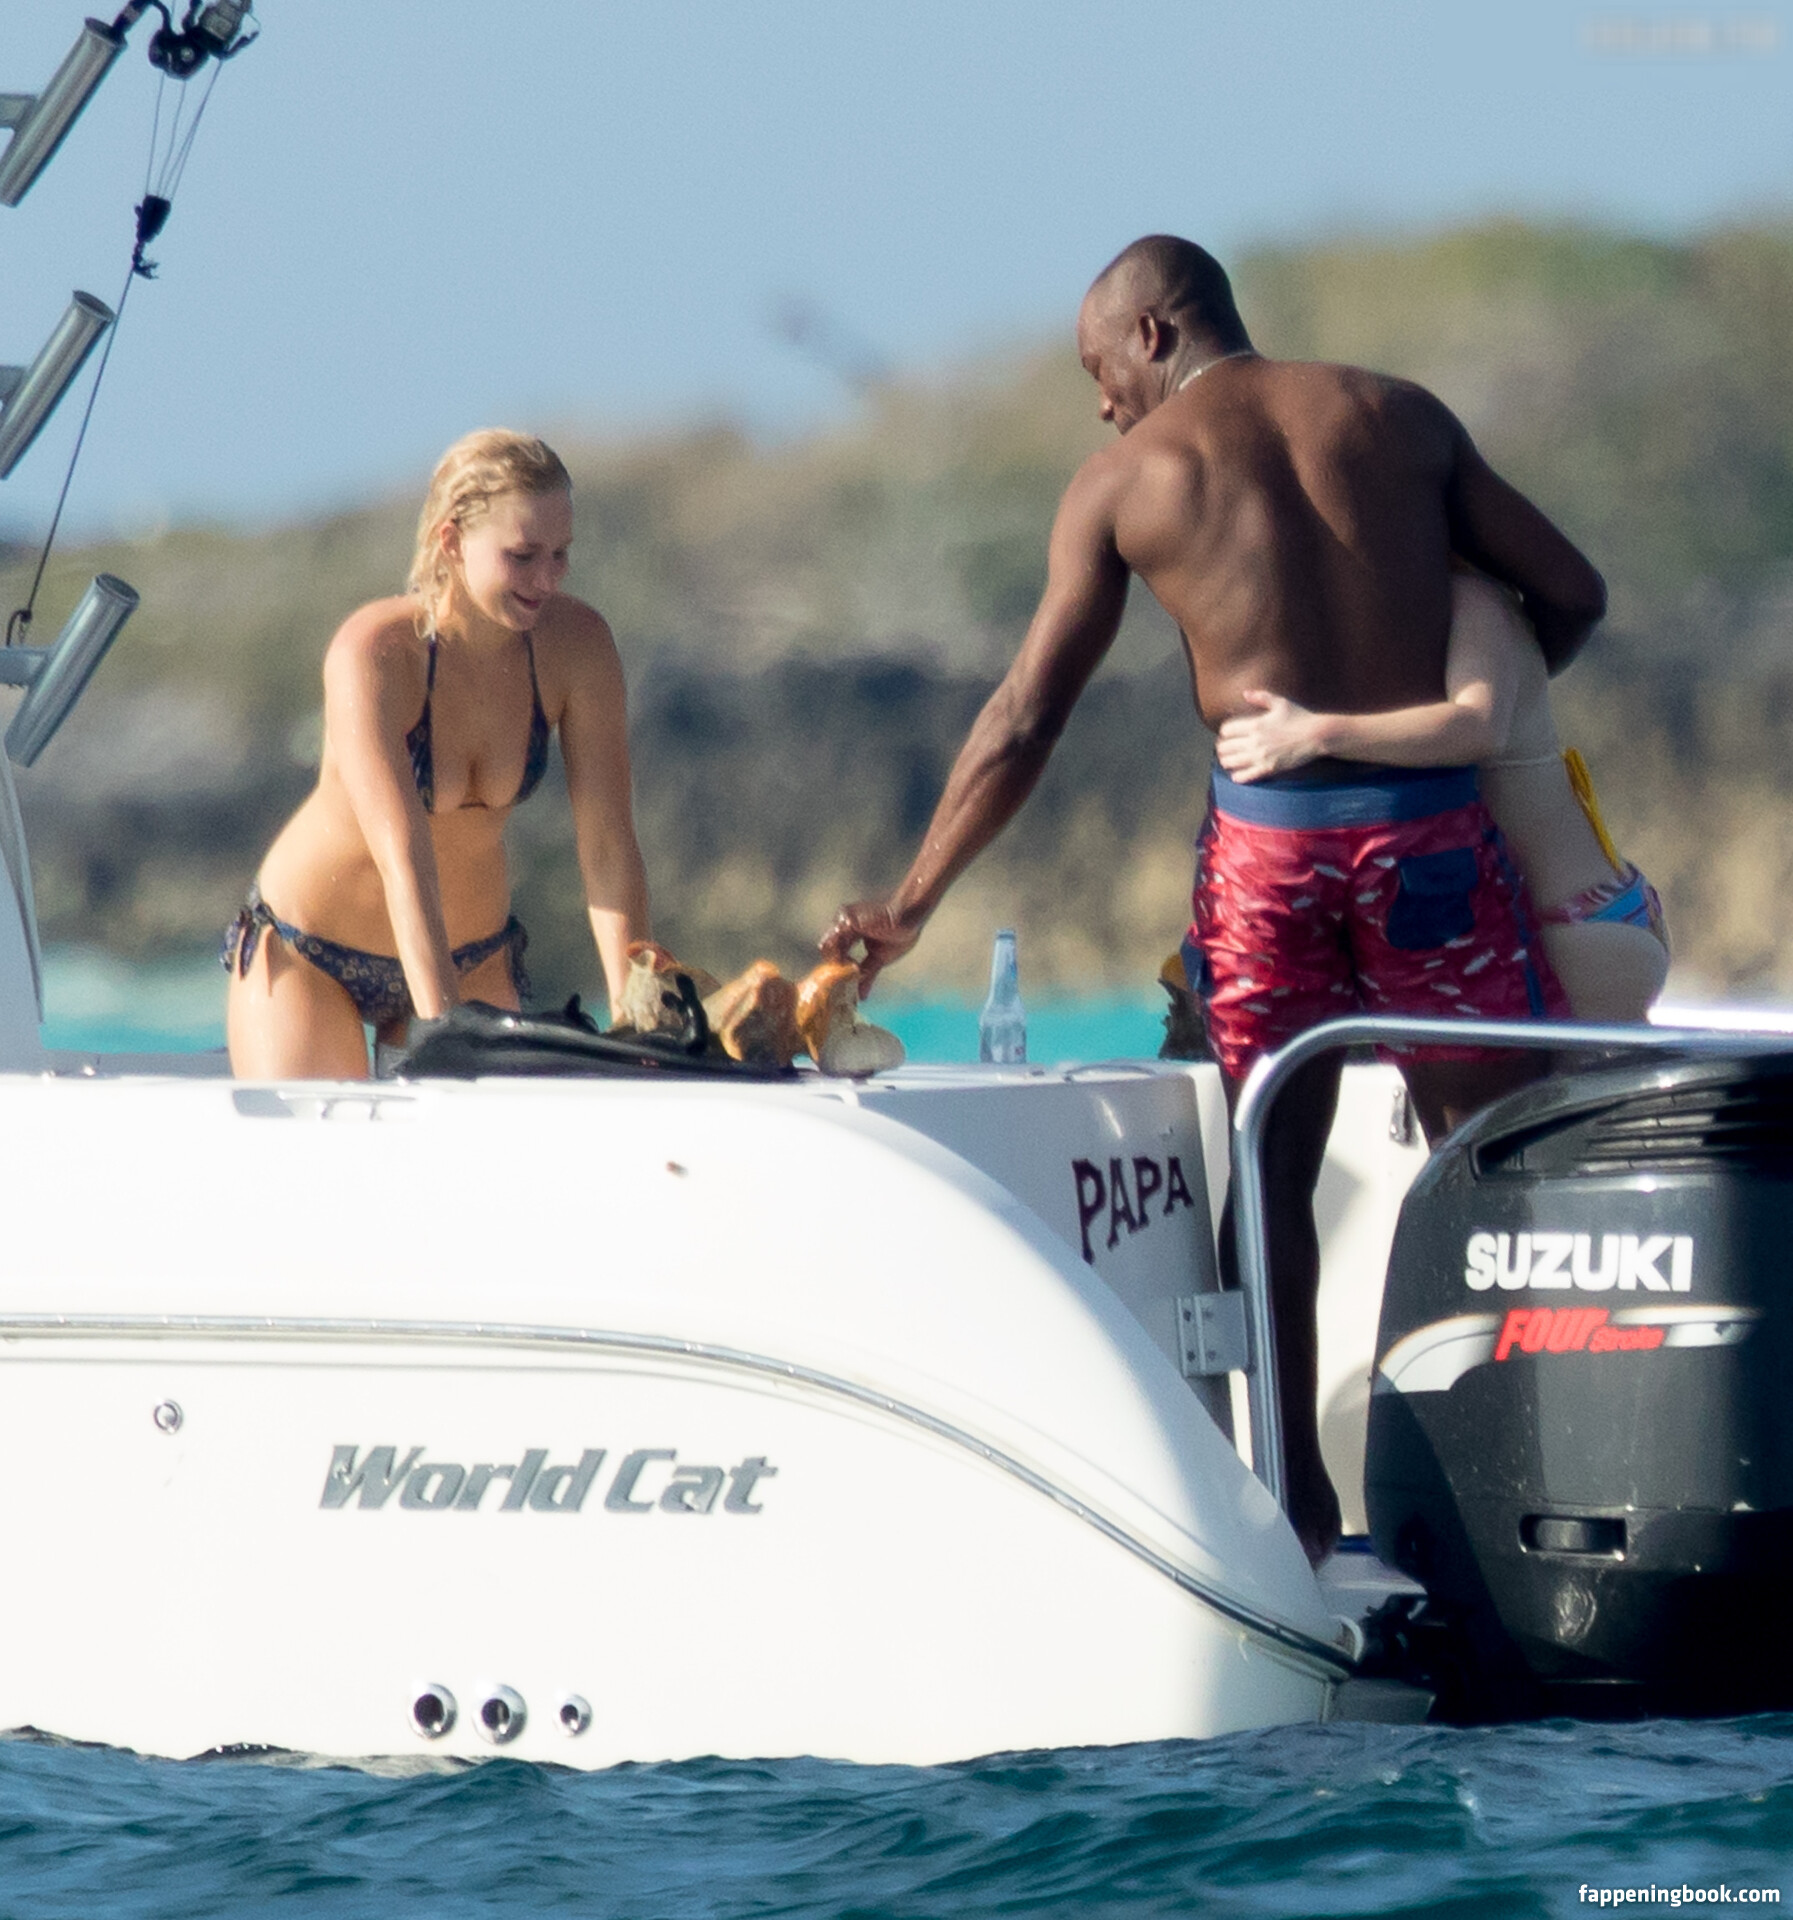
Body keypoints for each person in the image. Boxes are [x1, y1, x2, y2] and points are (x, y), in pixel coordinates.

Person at [822, 234, 1607, 1563]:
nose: (1100, 405)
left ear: (1150, 335)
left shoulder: (1127, 480)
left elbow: (1023, 719)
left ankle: (1292, 1515)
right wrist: (1474, 713)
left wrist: (910, 902)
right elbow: (1572, 594)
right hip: (1425, 844)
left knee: (1272, 1166)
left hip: (1267, 862)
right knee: (1490, 1156)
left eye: (1098, 371)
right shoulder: (1395, 416)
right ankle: (1517, 1500)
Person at [225, 429, 651, 1078]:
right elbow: (403, 852)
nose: (546, 578)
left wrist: (638, 1018)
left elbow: (608, 846)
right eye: (522, 555)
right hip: (310, 952)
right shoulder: (376, 653)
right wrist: (446, 1029)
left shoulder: (577, 646)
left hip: (474, 954)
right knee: (328, 1144)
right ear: (451, 540)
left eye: (561, 554)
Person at [1215, 570, 1668, 1021]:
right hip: (1580, 911)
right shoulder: (1424, 606)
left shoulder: (1473, 599)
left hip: (1575, 924)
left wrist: (1317, 734)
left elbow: (1478, 727)